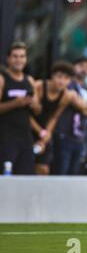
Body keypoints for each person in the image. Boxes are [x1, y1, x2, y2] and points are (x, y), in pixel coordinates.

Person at [52, 57, 87, 175]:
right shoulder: (68, 85)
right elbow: (78, 103)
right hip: (64, 135)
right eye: (81, 65)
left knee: (74, 174)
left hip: (80, 137)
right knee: (61, 173)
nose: (84, 69)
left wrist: (83, 106)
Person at [0, 42, 41, 174]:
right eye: (15, 56)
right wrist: (15, 103)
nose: (19, 60)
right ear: (8, 59)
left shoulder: (29, 80)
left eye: (22, 56)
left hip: (25, 137)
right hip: (5, 137)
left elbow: (38, 111)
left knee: (26, 176)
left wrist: (35, 105)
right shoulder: (2, 79)